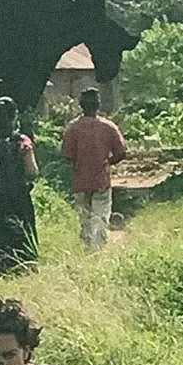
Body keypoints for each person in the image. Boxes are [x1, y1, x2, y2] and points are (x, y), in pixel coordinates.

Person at [0, 96, 40, 276]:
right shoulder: (22, 143)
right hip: (19, 200)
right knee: (24, 243)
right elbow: (32, 171)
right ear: (14, 117)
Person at [60, 87, 127, 251]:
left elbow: (67, 154)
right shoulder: (108, 127)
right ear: (98, 105)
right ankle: (97, 249)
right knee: (100, 216)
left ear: (81, 105)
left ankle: (87, 249)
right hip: (101, 180)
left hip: (80, 181)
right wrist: (107, 162)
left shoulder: (73, 128)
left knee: (85, 218)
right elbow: (122, 152)